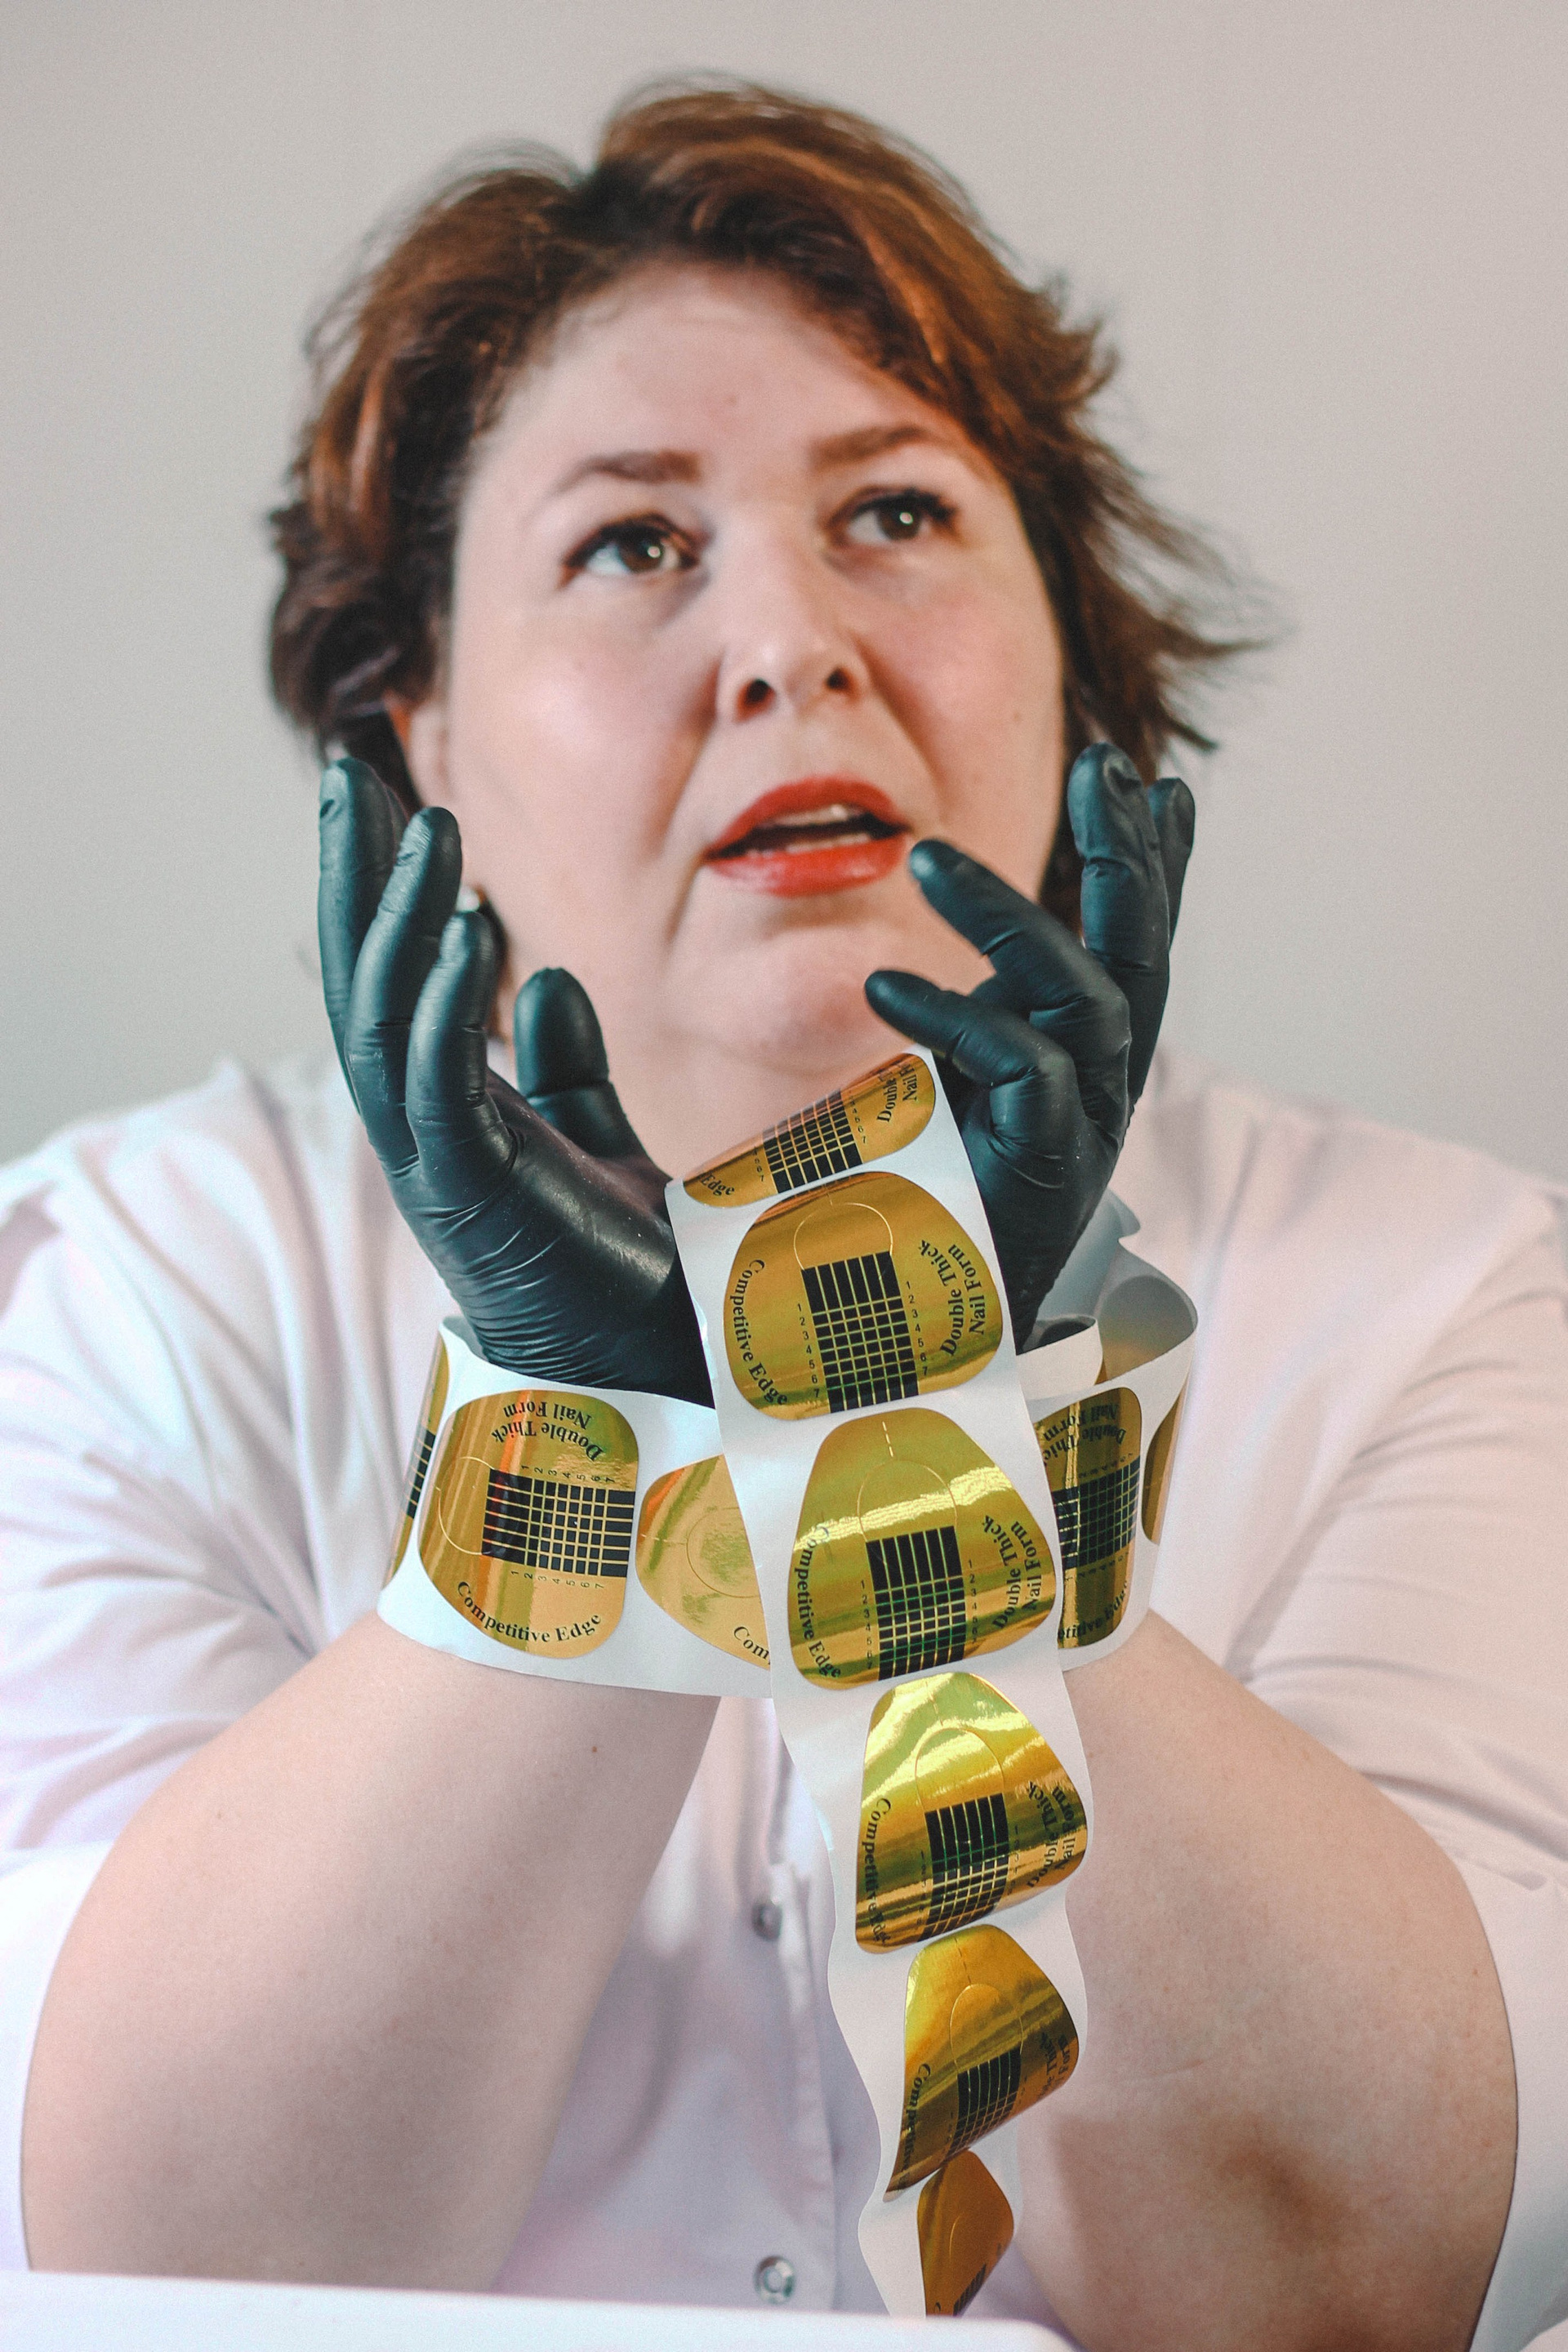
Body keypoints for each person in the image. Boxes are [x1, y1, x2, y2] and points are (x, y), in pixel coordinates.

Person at [1, 82, 1563, 2351]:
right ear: (421, 720)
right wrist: (579, 1453)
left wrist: (975, 1406)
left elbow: (1342, 2287)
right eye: (633, 542)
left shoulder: (1450, 1292)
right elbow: (167, 2268)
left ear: (1076, 658)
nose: (788, 643)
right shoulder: (136, 1294)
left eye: (898, 512)